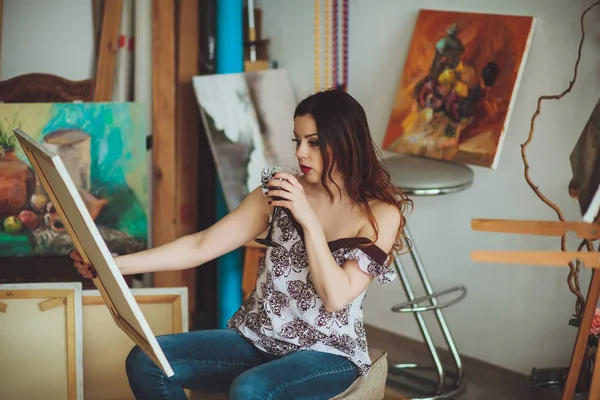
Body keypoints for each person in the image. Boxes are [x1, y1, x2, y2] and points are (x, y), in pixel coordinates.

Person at [71, 88, 412, 400]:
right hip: (257, 338)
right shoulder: (279, 192)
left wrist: (308, 219)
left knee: (250, 390)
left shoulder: (379, 214)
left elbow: (336, 296)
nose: (300, 152)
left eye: (314, 142)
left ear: (346, 141)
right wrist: (111, 264)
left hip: (329, 353)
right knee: (147, 361)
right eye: (297, 140)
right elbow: (201, 245)